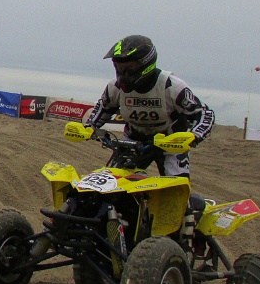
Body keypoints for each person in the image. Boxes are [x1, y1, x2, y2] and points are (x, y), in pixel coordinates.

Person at [84, 35, 215, 177]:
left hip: (170, 143)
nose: (124, 73)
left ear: (145, 63)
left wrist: (194, 136)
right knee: (114, 185)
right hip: (133, 141)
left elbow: (204, 113)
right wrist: (89, 127)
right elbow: (104, 108)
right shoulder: (115, 87)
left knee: (176, 190)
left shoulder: (171, 86)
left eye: (129, 67)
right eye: (120, 67)